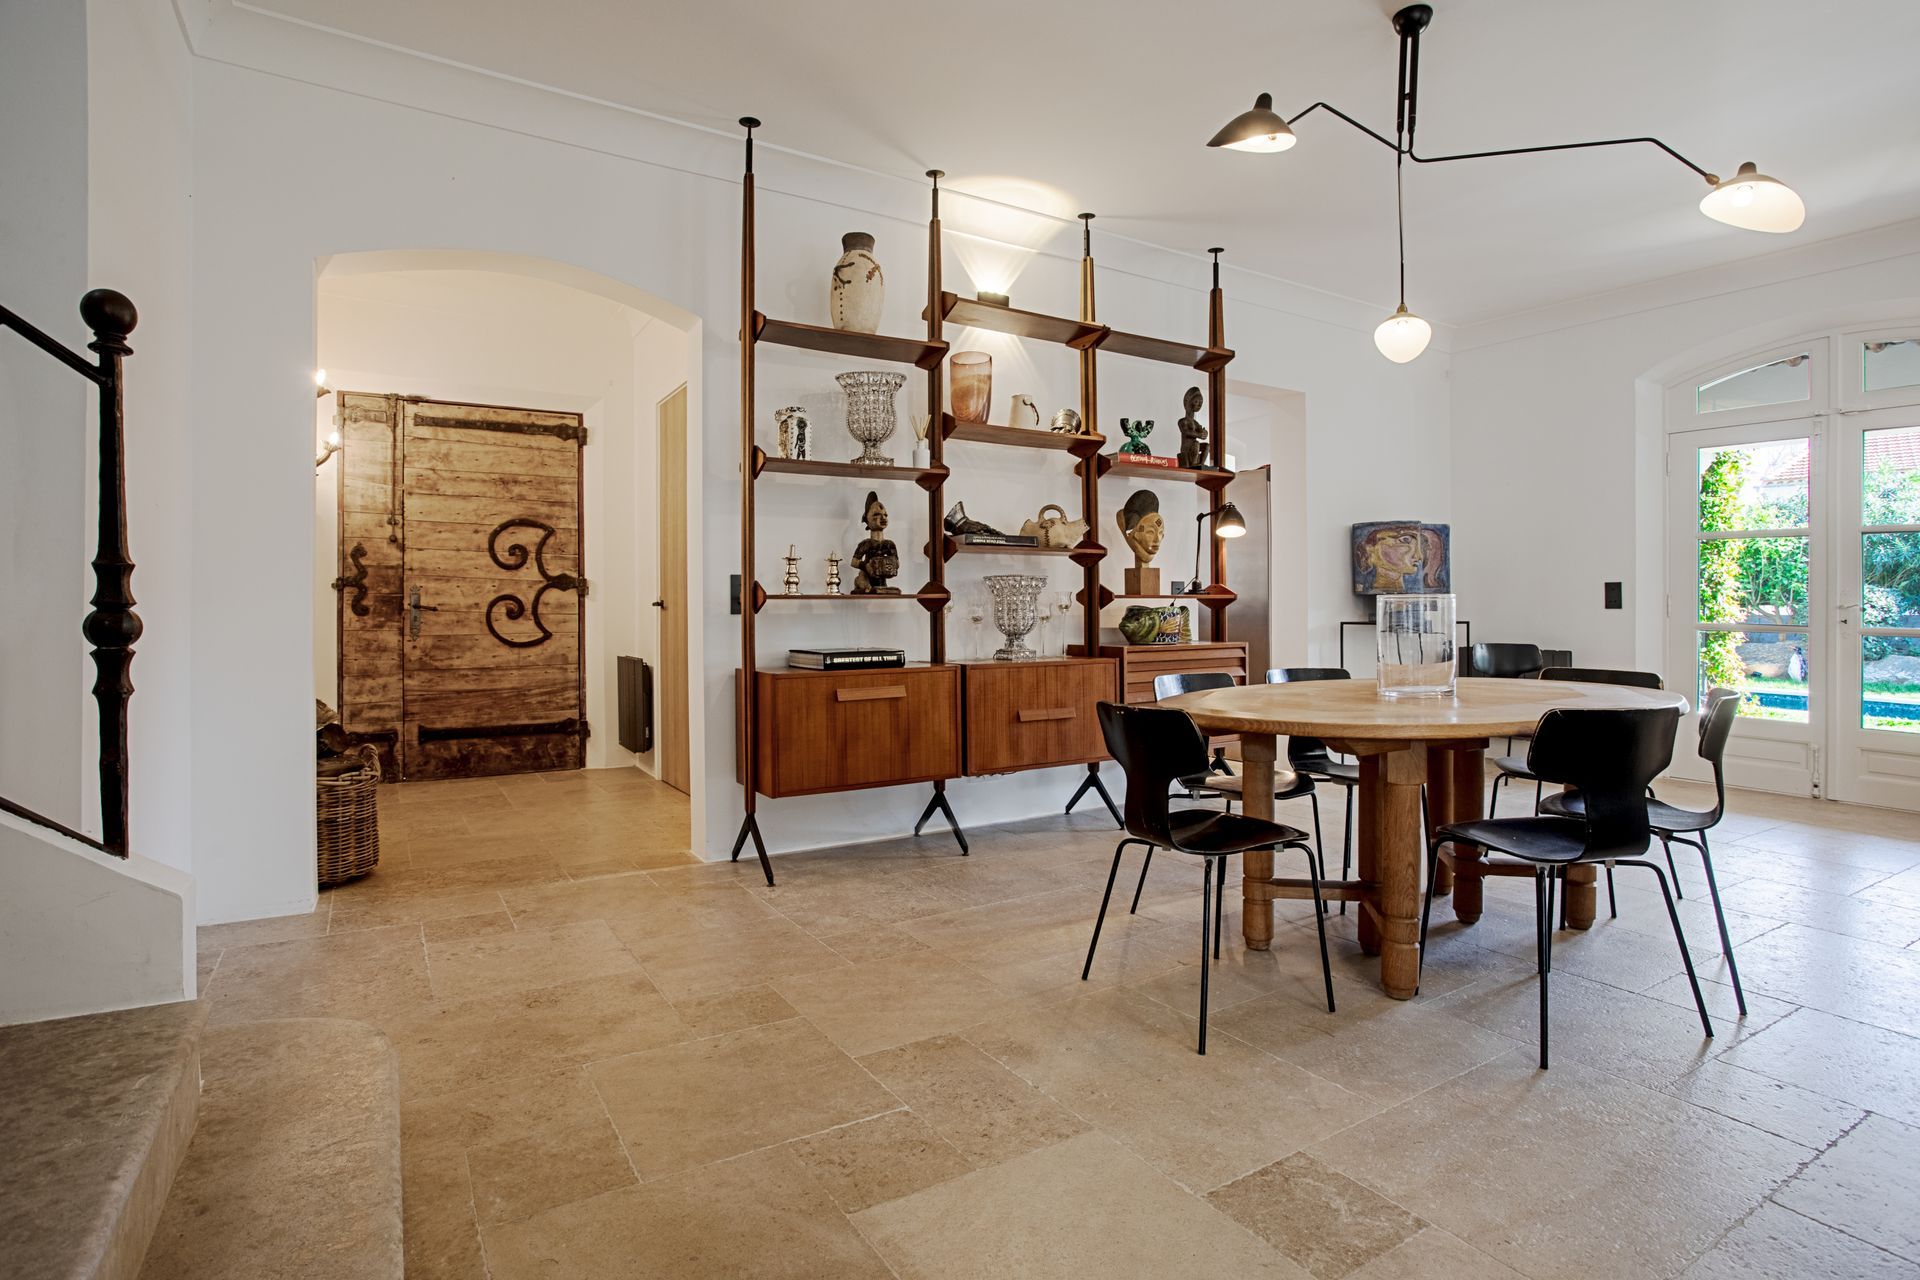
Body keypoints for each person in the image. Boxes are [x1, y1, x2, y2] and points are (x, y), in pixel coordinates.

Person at [850, 491, 901, 594]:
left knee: (889, 590)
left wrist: (890, 565)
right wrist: (866, 566)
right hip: (866, 578)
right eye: (876, 514)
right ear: (866, 520)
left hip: (882, 581)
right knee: (866, 586)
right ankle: (859, 582)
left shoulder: (889, 544)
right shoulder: (866, 544)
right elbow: (854, 562)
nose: (883, 518)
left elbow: (897, 563)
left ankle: (880, 588)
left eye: (885, 515)